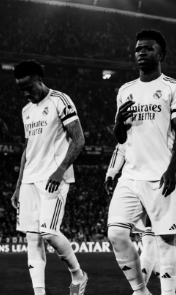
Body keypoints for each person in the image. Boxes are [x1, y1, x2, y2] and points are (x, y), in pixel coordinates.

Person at [108, 29, 176, 295]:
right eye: (138, 49)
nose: (141, 53)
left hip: (161, 175)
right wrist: (118, 123)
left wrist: (172, 170)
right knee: (116, 233)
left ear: (160, 54)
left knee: (165, 241)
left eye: (147, 48)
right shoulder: (125, 90)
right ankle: (141, 291)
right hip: (131, 176)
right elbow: (121, 138)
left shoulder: (173, 87)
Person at [10, 60, 88, 295]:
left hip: (53, 178)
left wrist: (60, 169)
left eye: (29, 88)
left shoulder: (60, 101)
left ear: (39, 80)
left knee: (48, 232)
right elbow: (28, 150)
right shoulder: (26, 111)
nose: (26, 94)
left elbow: (79, 139)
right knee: (32, 239)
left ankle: (78, 275)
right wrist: (18, 185)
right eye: (21, 90)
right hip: (29, 181)